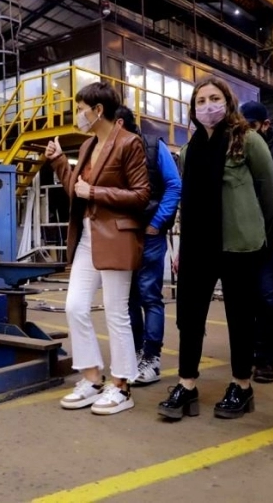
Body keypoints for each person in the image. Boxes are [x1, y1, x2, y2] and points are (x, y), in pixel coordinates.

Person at [158, 77, 273, 421]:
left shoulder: (248, 140)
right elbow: (189, 200)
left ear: (227, 101)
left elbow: (269, 193)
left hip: (238, 244)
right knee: (189, 318)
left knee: (240, 316)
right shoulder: (190, 147)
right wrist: (184, 246)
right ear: (193, 109)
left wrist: (256, 231)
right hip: (197, 245)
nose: (207, 106)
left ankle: (242, 385)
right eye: (200, 100)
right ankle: (187, 385)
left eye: (214, 98)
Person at [45, 81, 150, 415]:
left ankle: (121, 386)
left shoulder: (129, 143)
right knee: (75, 306)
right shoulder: (89, 145)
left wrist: (98, 193)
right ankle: (92, 378)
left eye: (80, 109)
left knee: (117, 313)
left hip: (116, 237)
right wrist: (60, 162)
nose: (78, 115)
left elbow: (141, 195)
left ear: (98, 110)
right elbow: (78, 190)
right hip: (88, 236)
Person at [113, 106, 182, 386]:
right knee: (128, 297)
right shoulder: (112, 150)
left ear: (119, 123)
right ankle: (137, 352)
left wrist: (157, 222)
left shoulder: (153, 147)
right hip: (123, 234)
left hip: (150, 232)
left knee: (149, 295)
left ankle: (151, 358)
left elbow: (174, 185)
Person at [239, 101, 273, 383]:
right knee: (251, 296)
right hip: (246, 232)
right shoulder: (237, 145)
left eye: (252, 127)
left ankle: (265, 358)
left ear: (266, 125)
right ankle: (272, 343)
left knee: (270, 295)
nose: (247, 132)